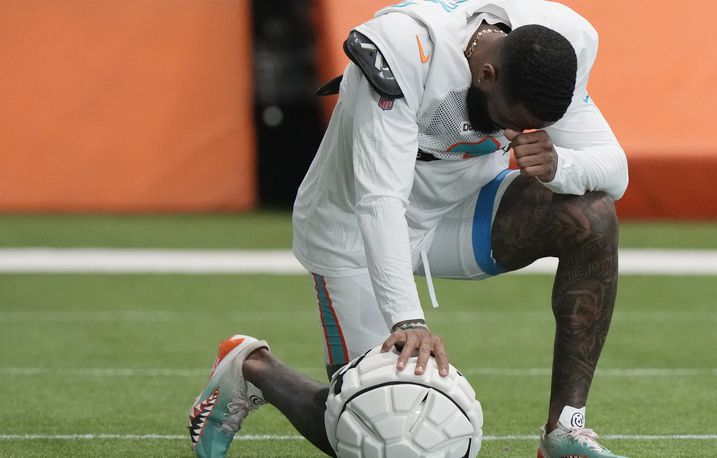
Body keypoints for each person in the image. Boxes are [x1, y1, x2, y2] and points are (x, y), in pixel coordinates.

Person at [188, 0, 628, 457]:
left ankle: (564, 431)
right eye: (513, 122)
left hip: (460, 209)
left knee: (592, 217)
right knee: (374, 424)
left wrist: (561, 164)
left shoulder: (559, 41)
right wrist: (409, 320)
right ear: (487, 74)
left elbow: (615, 172)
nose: (518, 137)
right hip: (354, 228)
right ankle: (253, 369)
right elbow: (380, 198)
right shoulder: (405, 48)